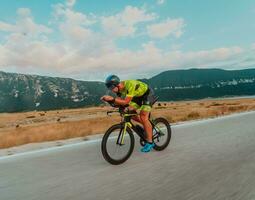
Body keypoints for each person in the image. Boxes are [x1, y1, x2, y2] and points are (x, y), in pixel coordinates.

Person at [101, 75, 156, 153]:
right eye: (110, 89)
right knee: (129, 112)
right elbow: (120, 102)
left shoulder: (130, 84)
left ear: (117, 85)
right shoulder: (119, 91)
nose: (112, 90)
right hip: (137, 98)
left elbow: (126, 102)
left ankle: (150, 142)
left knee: (143, 116)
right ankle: (147, 126)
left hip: (147, 95)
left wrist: (112, 99)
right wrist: (110, 101)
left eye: (112, 88)